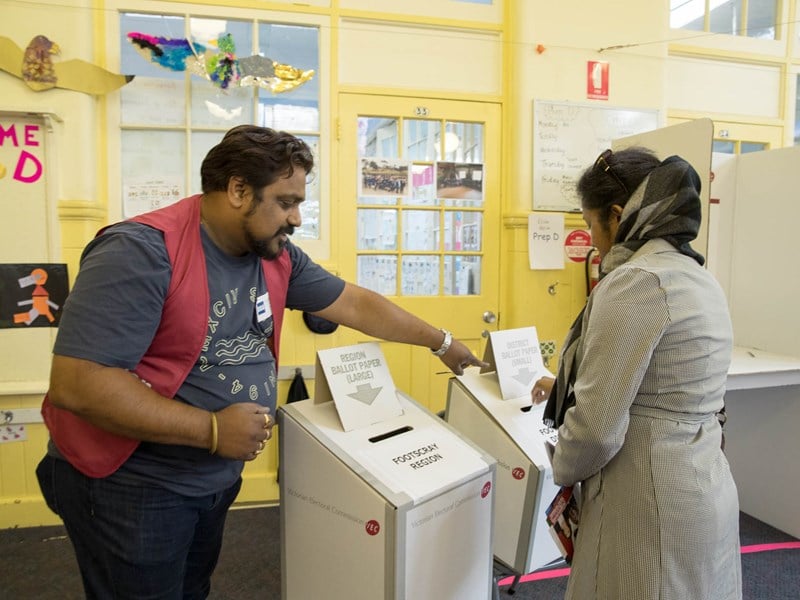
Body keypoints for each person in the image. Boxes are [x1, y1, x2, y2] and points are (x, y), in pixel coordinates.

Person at [36, 125, 486, 599]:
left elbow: (354, 304)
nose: (296, 218)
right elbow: (80, 384)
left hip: (209, 475)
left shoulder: (273, 254)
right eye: (286, 202)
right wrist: (211, 430)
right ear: (238, 190)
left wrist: (442, 343)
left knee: (190, 590)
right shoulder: (140, 251)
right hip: (132, 484)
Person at [531, 147, 741, 599]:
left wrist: (562, 465)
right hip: (701, 480)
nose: (592, 240)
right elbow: (664, 383)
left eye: (590, 224)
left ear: (616, 215)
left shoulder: (636, 281)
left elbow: (596, 430)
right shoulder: (695, 273)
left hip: (647, 497)